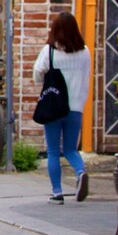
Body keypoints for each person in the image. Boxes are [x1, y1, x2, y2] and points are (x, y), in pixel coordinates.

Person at [32, 12, 91, 204]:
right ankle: (81, 172)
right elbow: (86, 77)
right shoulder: (85, 52)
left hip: (54, 107)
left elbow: (37, 75)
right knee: (71, 149)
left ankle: (57, 193)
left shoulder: (49, 51)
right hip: (76, 107)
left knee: (53, 151)